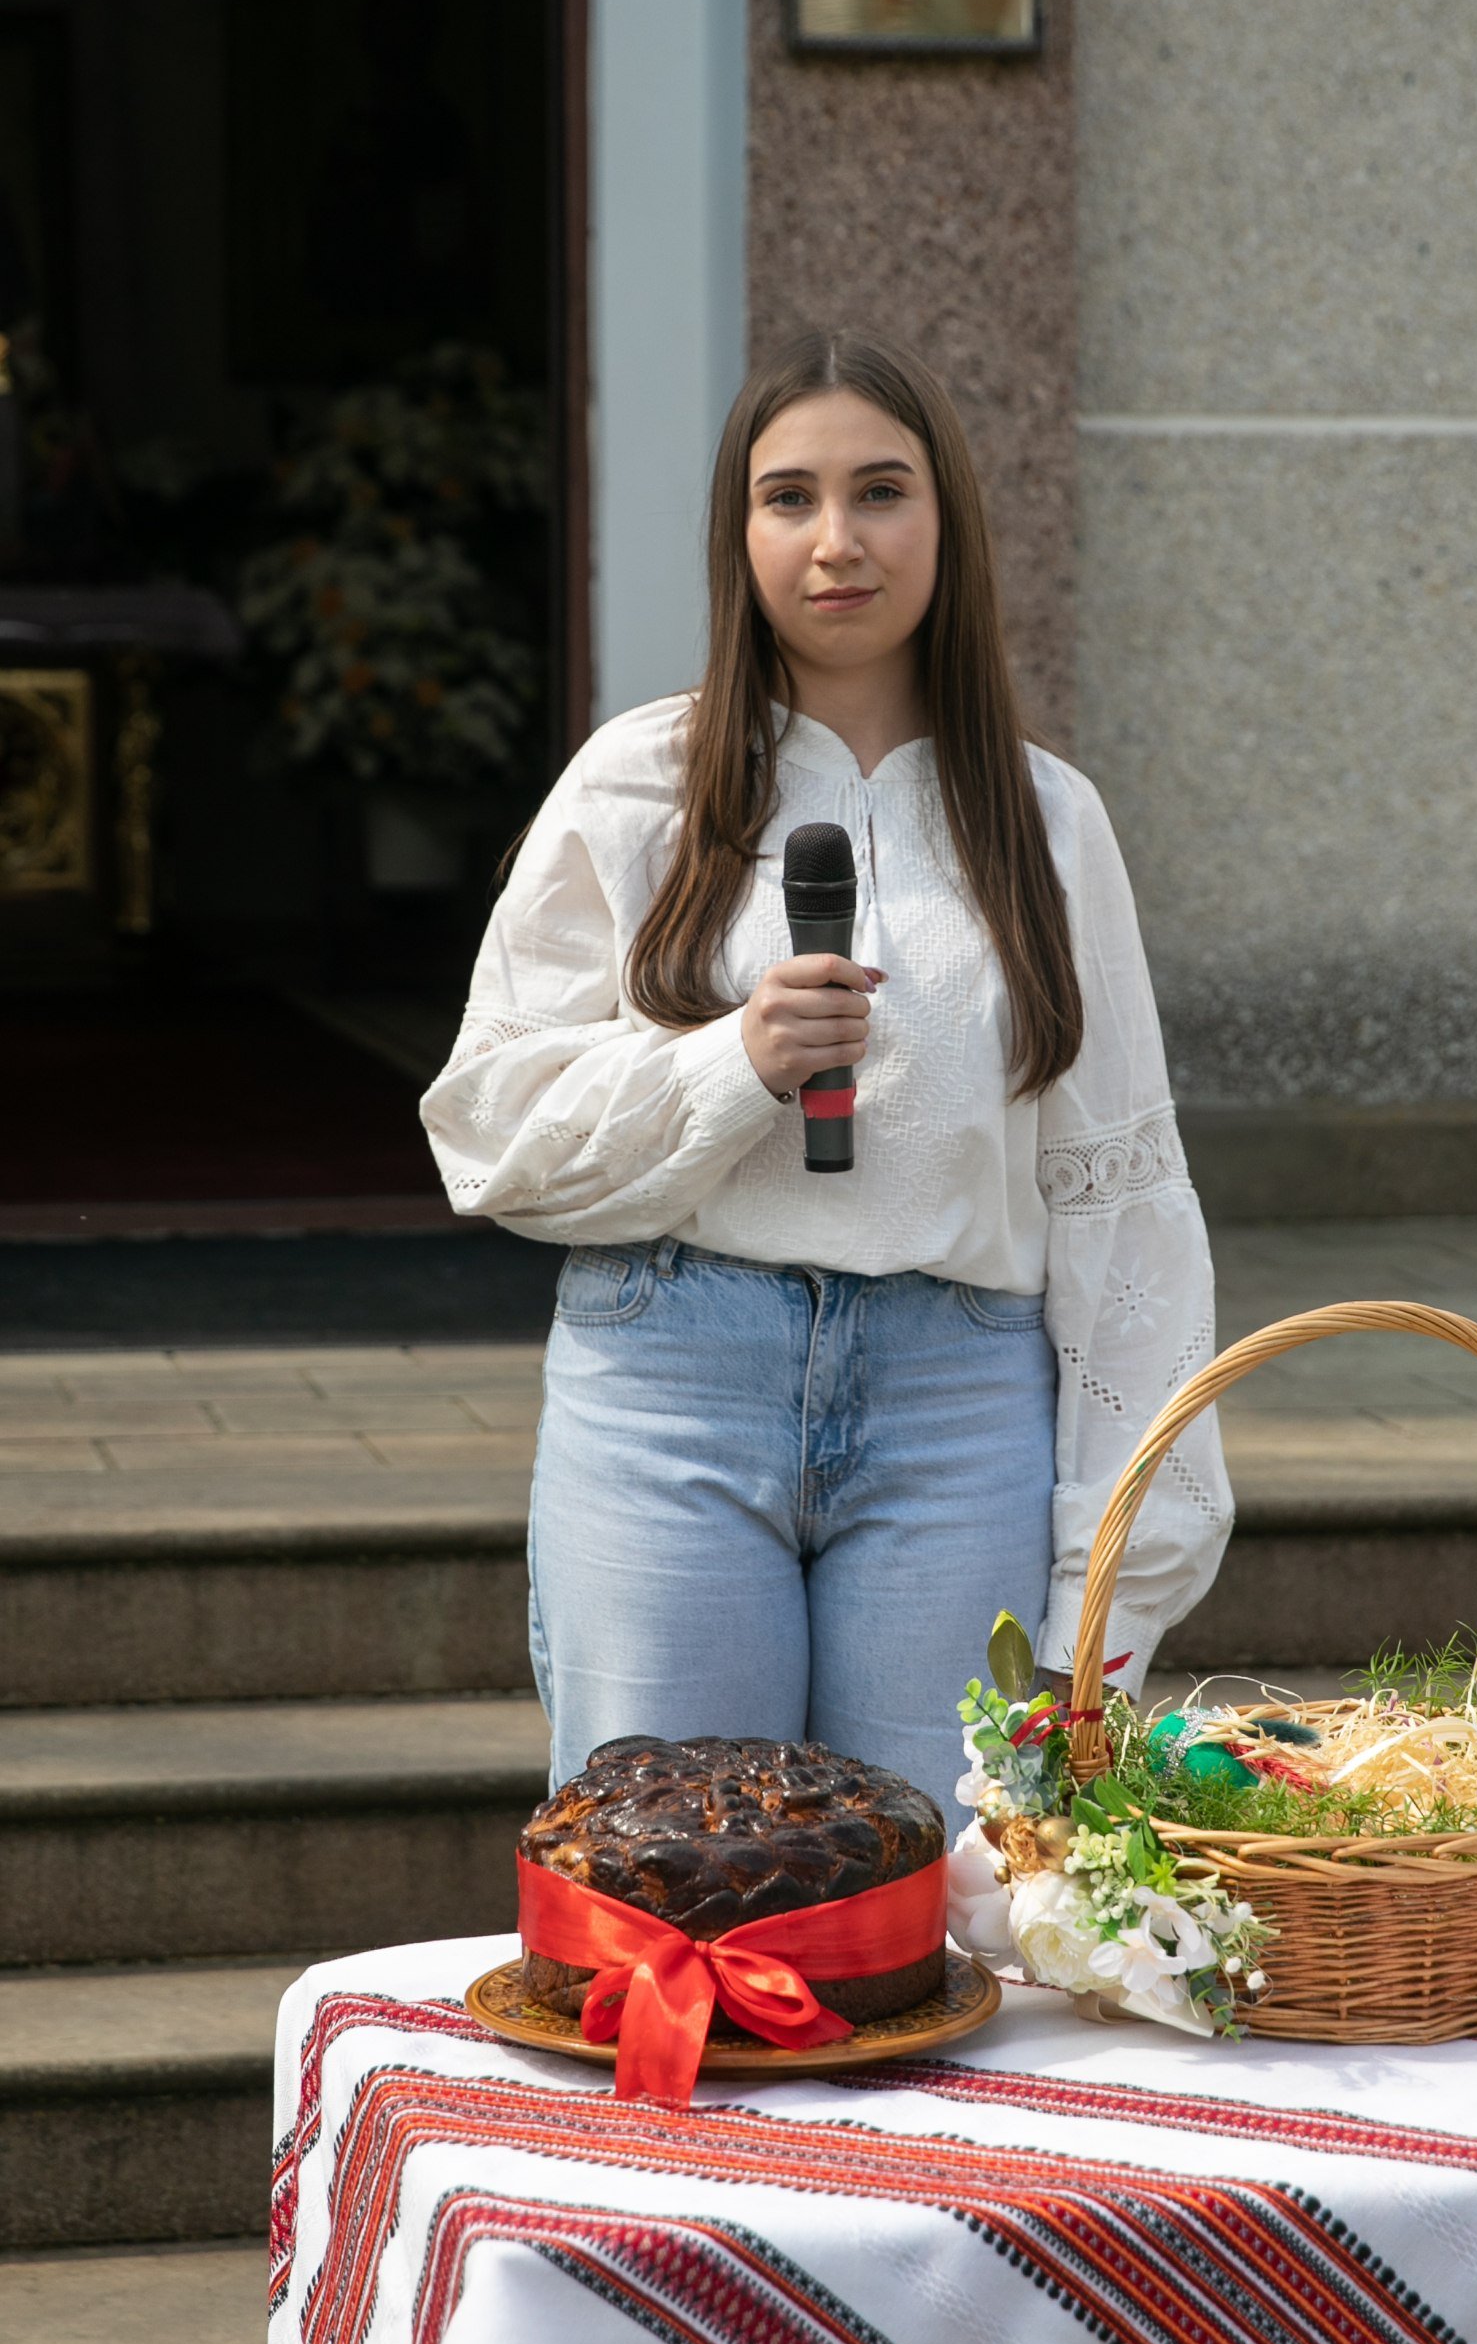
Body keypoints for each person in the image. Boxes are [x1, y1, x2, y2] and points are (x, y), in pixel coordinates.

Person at [421, 330, 1232, 1821]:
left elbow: (1120, 1205)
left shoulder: (1047, 819)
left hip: (959, 1405)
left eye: (881, 492)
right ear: (738, 534)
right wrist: (728, 1063)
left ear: (948, 519)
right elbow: (491, 1133)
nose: (836, 540)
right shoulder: (634, 782)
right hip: (672, 1381)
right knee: (672, 1874)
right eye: (788, 497)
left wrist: (1114, 1580)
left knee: (940, 1887)